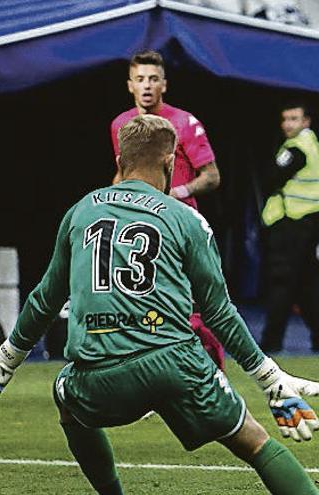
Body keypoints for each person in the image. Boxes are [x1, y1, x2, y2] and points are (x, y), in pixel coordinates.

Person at [0, 115, 319, 494]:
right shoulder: (186, 219)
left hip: (100, 375)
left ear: (119, 160)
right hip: (175, 365)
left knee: (66, 399)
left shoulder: (82, 211)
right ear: (170, 162)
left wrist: (6, 360)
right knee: (254, 441)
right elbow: (218, 311)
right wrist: (268, 377)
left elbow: (45, 298)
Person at [110, 50, 226, 370]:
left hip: (181, 227)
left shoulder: (184, 123)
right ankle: (151, 383)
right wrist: (108, 204)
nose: (146, 86)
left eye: (153, 79)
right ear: (130, 85)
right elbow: (124, 174)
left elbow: (212, 176)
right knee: (141, 306)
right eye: (140, 79)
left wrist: (177, 192)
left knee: (195, 311)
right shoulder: (121, 125)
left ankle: (216, 377)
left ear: (164, 85)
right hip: (141, 230)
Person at [260, 103, 319, 354]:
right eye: (285, 118)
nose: (288, 124)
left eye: (294, 118)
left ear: (306, 121)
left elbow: (271, 177)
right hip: (310, 221)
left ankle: (271, 342)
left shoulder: (297, 148)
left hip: (294, 222)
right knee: (306, 285)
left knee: (282, 282)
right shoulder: (312, 145)